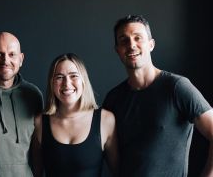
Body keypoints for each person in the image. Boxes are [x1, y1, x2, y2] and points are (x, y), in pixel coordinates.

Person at [102, 15, 213, 177]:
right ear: (117, 49)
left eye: (137, 38)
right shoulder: (113, 98)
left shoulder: (177, 87)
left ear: (151, 44)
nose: (131, 45)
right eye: (124, 40)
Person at [32, 53, 118, 177]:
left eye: (73, 76)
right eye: (59, 77)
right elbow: (36, 174)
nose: (67, 84)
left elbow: (118, 172)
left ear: (83, 80)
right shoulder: (39, 122)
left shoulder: (106, 120)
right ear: (52, 83)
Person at [0, 32, 44, 176]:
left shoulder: (32, 94)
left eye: (12, 54)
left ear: (21, 59)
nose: (5, 60)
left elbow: (38, 149)